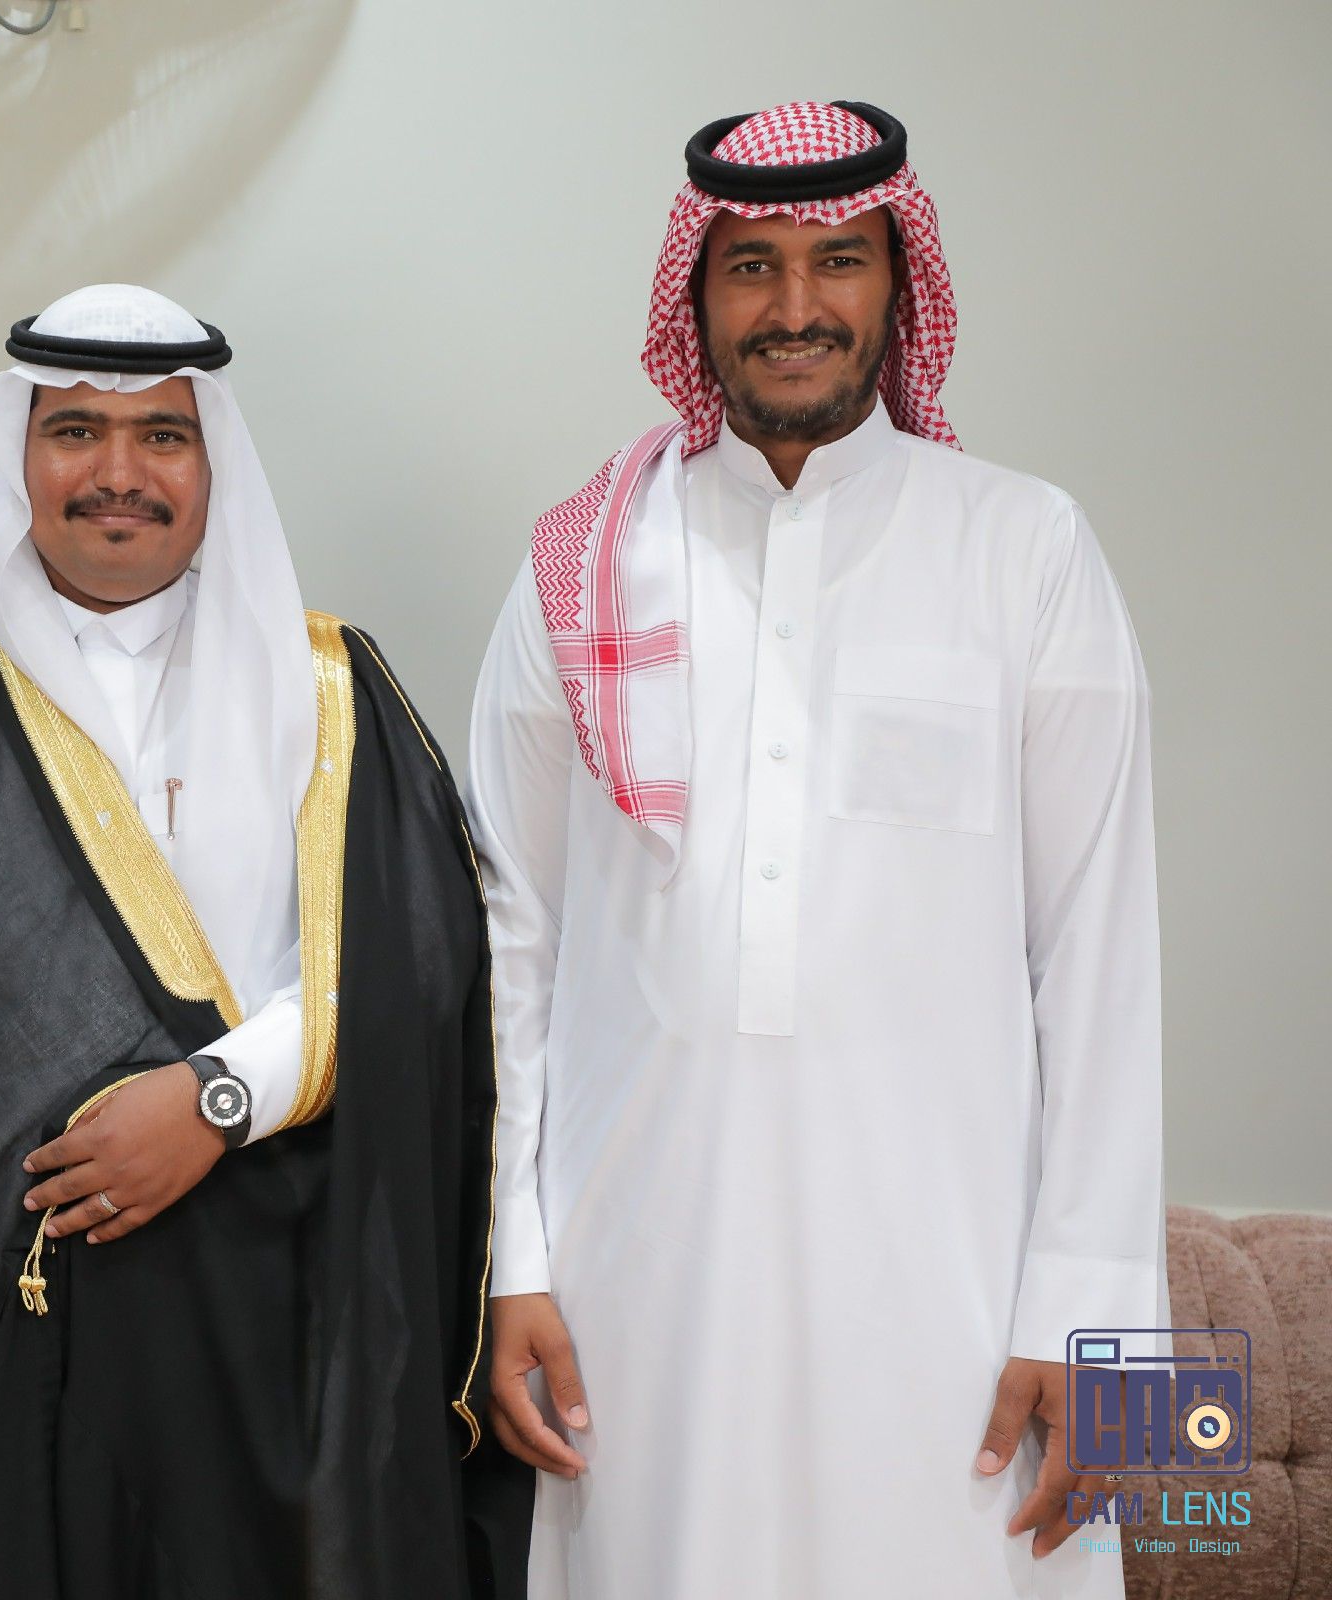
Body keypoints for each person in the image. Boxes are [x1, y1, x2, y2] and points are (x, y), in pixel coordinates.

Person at [0, 284, 533, 1598]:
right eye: (75, 430)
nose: (118, 473)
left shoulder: (333, 695)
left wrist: (216, 1099)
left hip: (275, 1343)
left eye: (164, 435)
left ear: (215, 462)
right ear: (18, 455)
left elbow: (420, 967)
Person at [469, 102, 1165, 1599]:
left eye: (838, 260)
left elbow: (1105, 963)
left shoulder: (1028, 548)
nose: (796, 306)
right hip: (639, 1292)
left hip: (967, 1303)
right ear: (695, 297)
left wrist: (1107, 1349)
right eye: (751, 266)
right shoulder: (581, 564)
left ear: (900, 284)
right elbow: (510, 943)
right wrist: (508, 1264)